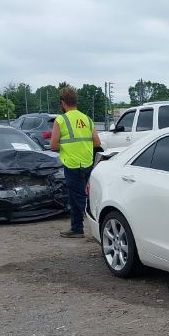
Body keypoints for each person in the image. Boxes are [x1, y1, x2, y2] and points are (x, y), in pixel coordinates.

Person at [50, 86, 101, 238]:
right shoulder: (87, 119)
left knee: (80, 200)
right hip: (87, 164)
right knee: (75, 197)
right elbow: (97, 142)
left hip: (72, 164)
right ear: (75, 102)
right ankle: (76, 229)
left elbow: (53, 145)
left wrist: (68, 148)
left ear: (62, 103)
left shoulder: (61, 120)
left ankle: (101, 228)